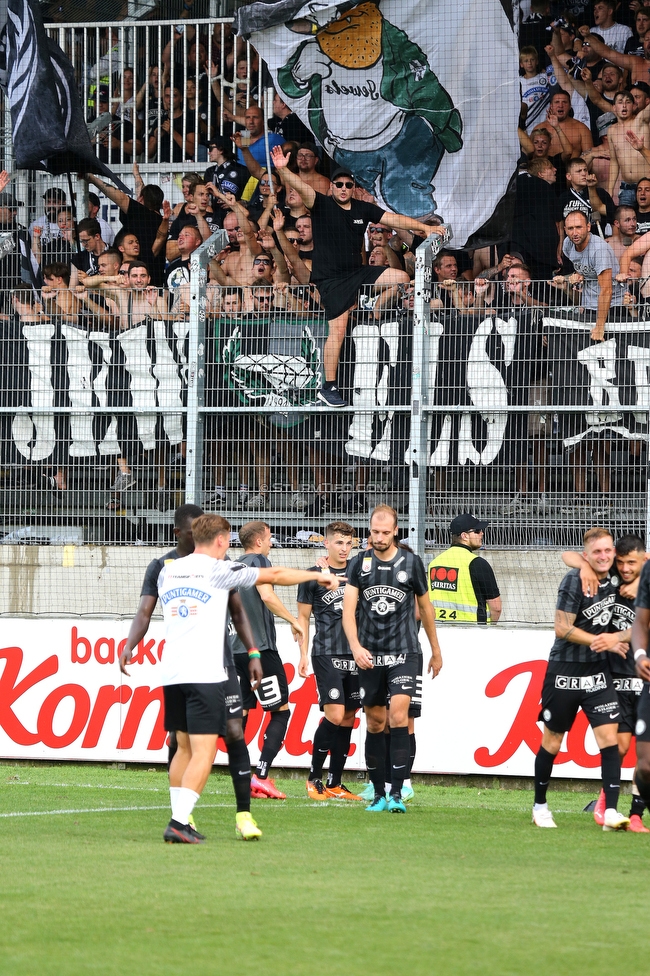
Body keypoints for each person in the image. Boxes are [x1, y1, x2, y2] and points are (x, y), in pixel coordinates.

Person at [124, 512, 341, 843]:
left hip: (172, 673)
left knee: (182, 748)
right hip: (205, 672)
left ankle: (178, 816)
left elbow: (147, 610)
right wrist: (319, 577)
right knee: (203, 751)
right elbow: (276, 574)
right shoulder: (218, 570)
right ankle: (180, 822)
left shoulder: (168, 571)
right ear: (221, 540)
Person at [118, 504, 263, 841]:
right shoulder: (163, 566)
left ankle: (244, 815)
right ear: (178, 534)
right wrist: (130, 643)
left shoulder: (220, 563)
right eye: (191, 530)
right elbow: (144, 611)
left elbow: (238, 612)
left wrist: (253, 651)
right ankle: (183, 816)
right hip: (184, 665)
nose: (200, 534)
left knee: (234, 730)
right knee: (179, 739)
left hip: (220, 661)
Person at [271, 146, 437, 407]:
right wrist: (282, 169)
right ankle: (328, 387)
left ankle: (367, 303)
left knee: (402, 278)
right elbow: (299, 185)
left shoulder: (362, 208)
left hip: (357, 272)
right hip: (332, 280)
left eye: (348, 184)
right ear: (332, 187)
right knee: (337, 329)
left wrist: (425, 228)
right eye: (339, 184)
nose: (344, 188)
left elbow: (395, 220)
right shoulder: (320, 203)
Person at [342, 505, 442, 814]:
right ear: (369, 530)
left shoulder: (411, 562)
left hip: (404, 653)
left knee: (399, 716)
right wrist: (356, 647)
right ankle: (379, 795)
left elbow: (425, 609)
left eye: (386, 532)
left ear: (396, 531)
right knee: (375, 722)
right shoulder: (359, 563)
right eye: (375, 532)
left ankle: (398, 793)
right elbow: (348, 611)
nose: (380, 537)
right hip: (370, 655)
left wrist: (436, 650)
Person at [532, 527, 630, 831]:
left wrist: (615, 639)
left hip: (598, 674)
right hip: (564, 671)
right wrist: (603, 641)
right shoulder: (575, 579)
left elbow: (642, 559)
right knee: (553, 740)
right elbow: (561, 628)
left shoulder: (618, 573)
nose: (604, 556)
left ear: (614, 551)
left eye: (608, 550)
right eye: (596, 552)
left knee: (609, 739)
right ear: (587, 555)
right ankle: (540, 805)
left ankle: (610, 811)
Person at [563, 534, 649, 832]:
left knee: (646, 754)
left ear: (644, 559)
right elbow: (567, 555)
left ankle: (636, 815)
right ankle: (606, 802)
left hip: (644, 675)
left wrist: (641, 586)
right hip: (616, 674)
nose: (625, 568)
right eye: (621, 562)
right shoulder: (611, 574)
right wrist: (585, 566)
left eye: (631, 563)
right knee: (621, 746)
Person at [230, 520, 308, 800]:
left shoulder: (232, 566)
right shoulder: (259, 562)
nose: (272, 542)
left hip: (234, 651)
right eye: (270, 538)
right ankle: (261, 776)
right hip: (259, 650)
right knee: (280, 712)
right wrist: (293, 620)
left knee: (242, 714)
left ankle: (242, 778)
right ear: (259, 542)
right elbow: (267, 595)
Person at [296, 521, 362, 802]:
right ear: (326, 543)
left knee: (348, 717)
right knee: (334, 714)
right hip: (327, 652)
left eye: (348, 543)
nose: (344, 548)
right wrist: (302, 654)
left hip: (356, 653)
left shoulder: (360, 571)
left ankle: (335, 782)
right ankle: (314, 779)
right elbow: (302, 618)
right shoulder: (313, 575)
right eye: (338, 542)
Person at [84, 173, 168, 288]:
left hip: (136, 289)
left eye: (136, 242)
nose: (135, 244)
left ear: (141, 199)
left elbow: (121, 197)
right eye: (132, 242)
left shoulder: (141, 214)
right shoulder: (160, 223)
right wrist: (136, 174)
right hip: (154, 286)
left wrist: (92, 179)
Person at [557, 209, 626, 341]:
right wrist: (578, 274)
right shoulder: (567, 244)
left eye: (579, 227)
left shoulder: (599, 250)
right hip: (589, 304)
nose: (575, 233)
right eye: (570, 228)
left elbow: (606, 290)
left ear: (588, 227)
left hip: (613, 305)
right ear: (565, 229)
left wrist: (600, 327)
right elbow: (581, 264)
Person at [427, 514, 502, 625]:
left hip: (438, 629)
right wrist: (490, 628)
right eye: (477, 531)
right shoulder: (478, 564)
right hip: (471, 633)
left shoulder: (434, 563)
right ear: (464, 536)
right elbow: (496, 608)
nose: (482, 533)